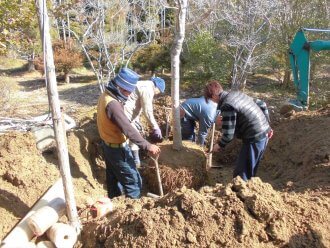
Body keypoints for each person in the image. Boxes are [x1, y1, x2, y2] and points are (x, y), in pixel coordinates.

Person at [97, 68, 160, 199]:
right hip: (117, 149)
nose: (128, 95)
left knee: (113, 179)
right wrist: (147, 145)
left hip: (108, 146)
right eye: (127, 92)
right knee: (134, 183)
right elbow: (128, 129)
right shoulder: (113, 105)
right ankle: (133, 212)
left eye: (130, 92)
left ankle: (114, 203)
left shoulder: (106, 95)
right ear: (119, 86)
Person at [212, 86, 273, 181]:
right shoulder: (237, 94)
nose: (213, 102)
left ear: (214, 96)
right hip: (264, 134)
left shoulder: (227, 105)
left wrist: (219, 145)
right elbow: (262, 104)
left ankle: (239, 194)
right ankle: (247, 189)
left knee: (241, 174)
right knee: (250, 168)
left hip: (254, 136)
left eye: (211, 99)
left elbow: (228, 135)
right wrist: (267, 126)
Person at [124, 77, 165, 167]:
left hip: (129, 113)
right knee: (131, 136)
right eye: (158, 92)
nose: (157, 94)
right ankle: (133, 162)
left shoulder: (143, 84)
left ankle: (135, 160)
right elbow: (147, 111)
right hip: (126, 114)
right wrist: (156, 127)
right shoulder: (148, 89)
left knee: (134, 134)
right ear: (157, 87)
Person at [180, 80, 222, 146]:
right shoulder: (210, 115)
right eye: (220, 123)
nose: (219, 125)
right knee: (188, 136)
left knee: (192, 132)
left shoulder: (217, 107)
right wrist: (200, 147)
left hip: (191, 109)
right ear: (220, 118)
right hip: (183, 111)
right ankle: (186, 148)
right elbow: (202, 132)